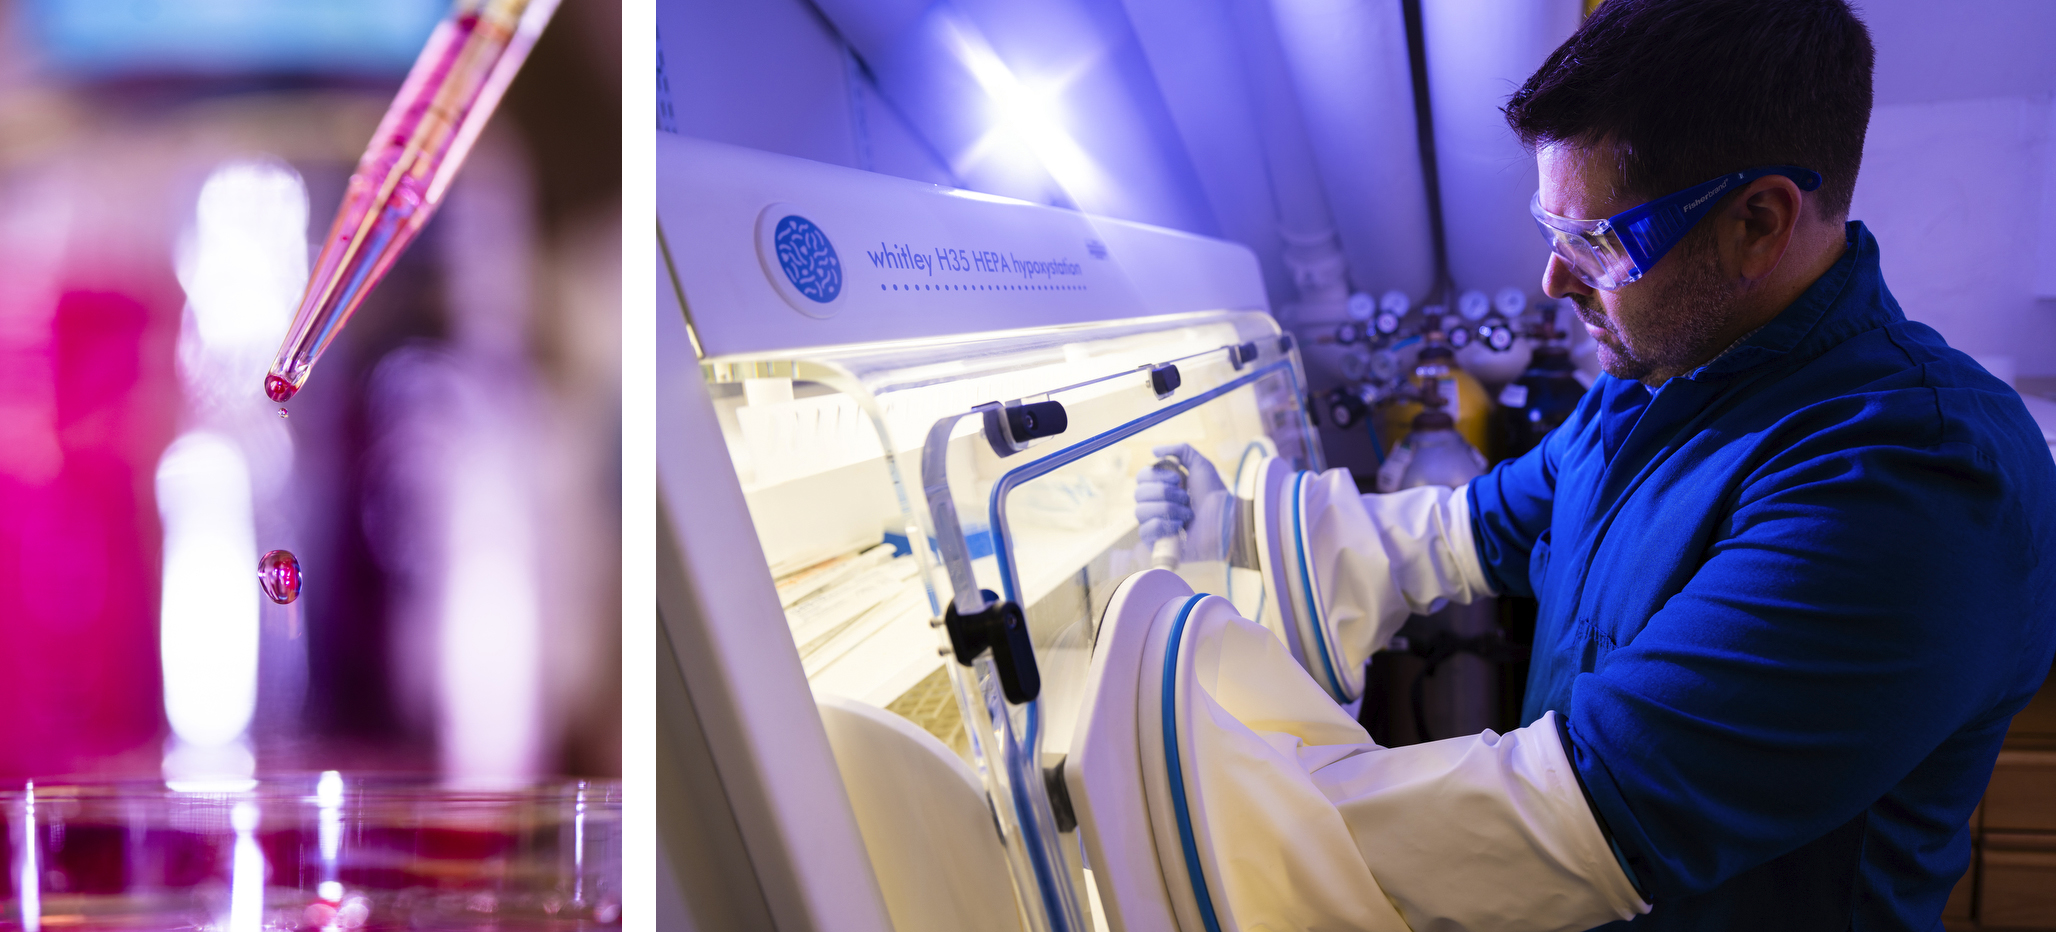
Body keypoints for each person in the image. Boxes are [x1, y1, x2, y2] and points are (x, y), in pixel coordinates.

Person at [1135, 1, 2053, 927]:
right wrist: (1240, 526)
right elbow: (1469, 528)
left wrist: (1194, 820)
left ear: (1757, 222)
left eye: (1596, 242)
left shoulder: (1911, 477)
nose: (1554, 280)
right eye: (1551, 229)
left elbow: (1578, 813)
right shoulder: (1663, 375)